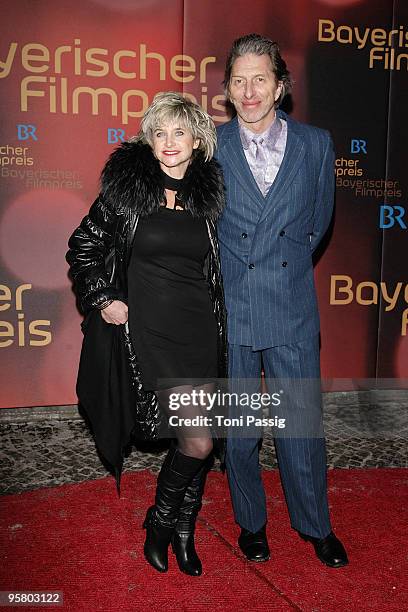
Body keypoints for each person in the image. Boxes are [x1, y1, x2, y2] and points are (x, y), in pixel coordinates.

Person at [66, 92, 227, 576]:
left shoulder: (211, 195)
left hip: (199, 328)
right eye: (159, 132)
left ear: (197, 140)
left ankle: (183, 529)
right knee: (196, 440)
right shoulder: (127, 191)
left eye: (179, 132)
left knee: (202, 435)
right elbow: (83, 245)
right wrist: (103, 299)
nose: (169, 142)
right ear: (149, 140)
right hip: (150, 334)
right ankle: (161, 523)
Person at [216, 34, 348, 568]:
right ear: (227, 89)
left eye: (260, 79)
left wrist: (283, 267)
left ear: (280, 87)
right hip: (233, 305)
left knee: (301, 426)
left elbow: (316, 226)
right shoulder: (211, 146)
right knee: (241, 432)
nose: (249, 91)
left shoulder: (316, 145)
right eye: (239, 80)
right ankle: (251, 523)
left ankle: (315, 526)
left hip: (292, 304)